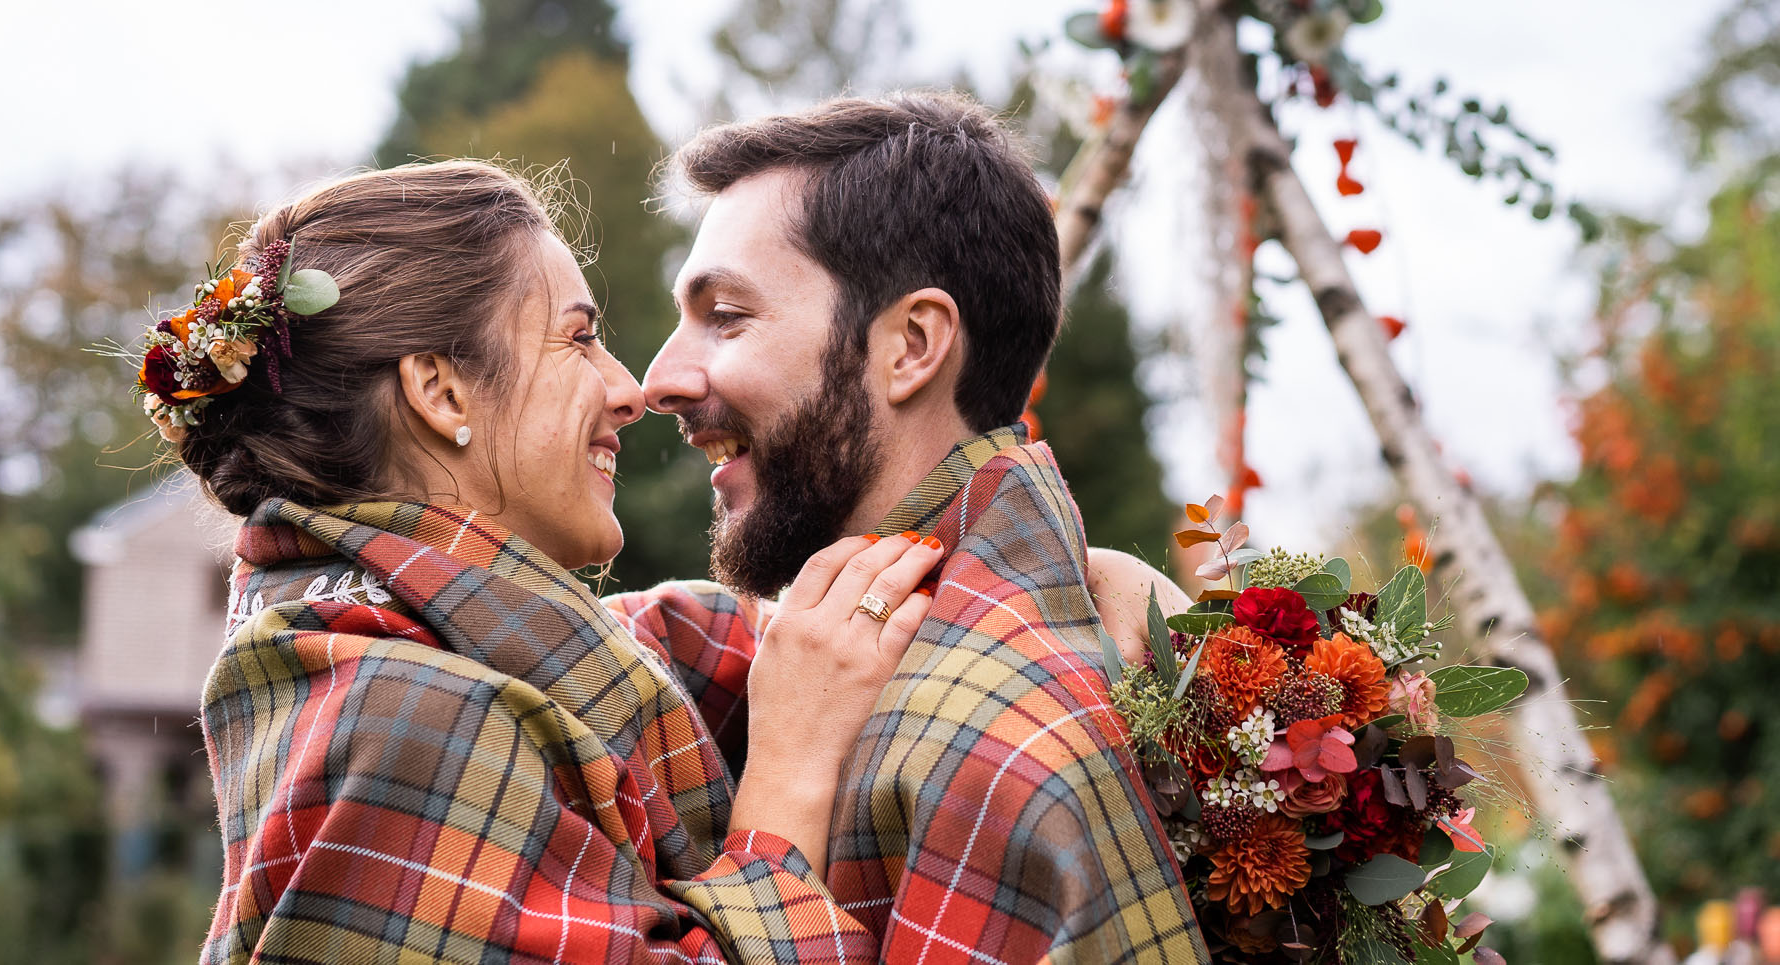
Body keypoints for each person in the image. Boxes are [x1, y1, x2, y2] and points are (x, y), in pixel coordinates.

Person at [170, 160, 942, 962]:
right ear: (441, 392)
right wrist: (788, 780)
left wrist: (1011, 565)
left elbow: (686, 641)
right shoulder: (408, 719)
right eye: (578, 339)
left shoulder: (424, 644)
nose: (629, 389)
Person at [627, 92, 1208, 962]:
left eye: (726, 316)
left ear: (911, 346)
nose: (657, 378)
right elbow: (615, 646)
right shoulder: (843, 644)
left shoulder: (1001, 753)